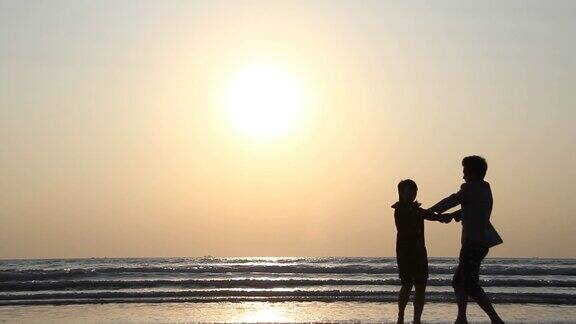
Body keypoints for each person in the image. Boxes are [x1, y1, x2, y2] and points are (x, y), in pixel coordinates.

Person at [428, 156, 504, 324]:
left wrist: (430, 211)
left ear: (473, 173)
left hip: (473, 243)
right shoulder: (484, 189)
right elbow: (473, 210)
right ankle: (461, 318)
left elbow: (453, 199)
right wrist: (454, 215)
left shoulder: (470, 188)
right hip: (480, 242)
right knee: (459, 281)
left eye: (465, 172)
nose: (463, 176)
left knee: (469, 283)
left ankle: (495, 319)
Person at [392, 179, 452, 324]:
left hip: (419, 252)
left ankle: (417, 320)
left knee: (421, 286)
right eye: (409, 190)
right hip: (405, 252)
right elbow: (425, 216)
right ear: (401, 192)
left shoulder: (417, 210)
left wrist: (442, 217)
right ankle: (401, 315)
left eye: (415, 190)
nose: (413, 193)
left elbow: (430, 215)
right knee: (407, 285)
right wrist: (441, 217)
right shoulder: (399, 210)